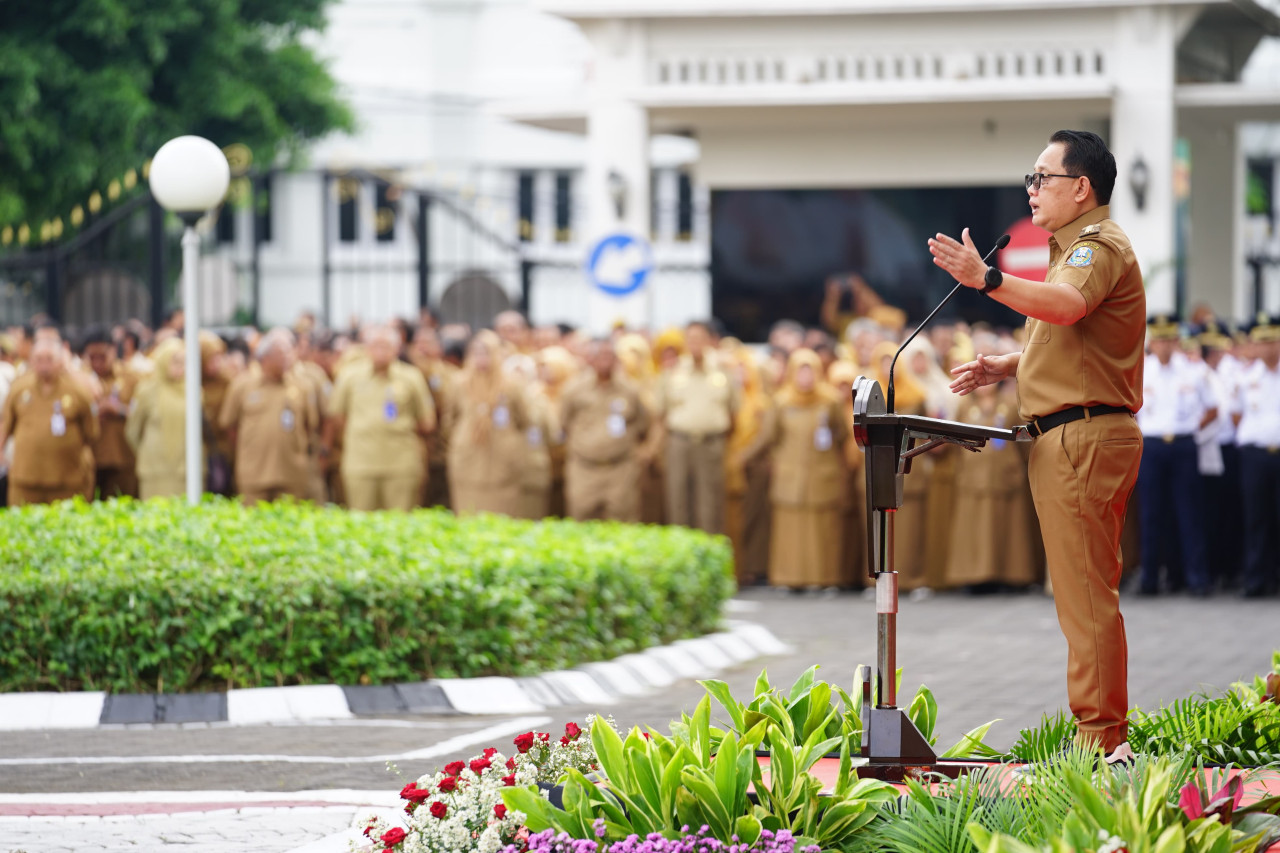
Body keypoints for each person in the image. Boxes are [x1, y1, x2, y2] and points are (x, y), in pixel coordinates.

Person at [931, 129, 1144, 764]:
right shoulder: (1071, 247)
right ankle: (1102, 735)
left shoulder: (1094, 246)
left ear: (1081, 187)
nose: (1031, 188)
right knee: (1080, 595)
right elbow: (1077, 343)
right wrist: (1011, 365)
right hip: (1071, 430)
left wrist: (987, 278)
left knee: (1085, 597)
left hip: (1083, 434)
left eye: (1041, 177)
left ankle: (1104, 744)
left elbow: (1066, 308)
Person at [1134, 315, 1217, 596]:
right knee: (1151, 514)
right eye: (1159, 340)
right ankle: (1150, 579)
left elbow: (1212, 408)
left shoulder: (1193, 371)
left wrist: (1194, 428)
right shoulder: (1142, 370)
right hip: (1153, 444)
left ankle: (1197, 578)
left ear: (1177, 341)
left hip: (1183, 443)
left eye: (1169, 339)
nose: (1164, 345)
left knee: (1189, 512)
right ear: (1152, 342)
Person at [766, 348, 849, 590]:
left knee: (823, 530)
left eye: (809, 371)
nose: (805, 378)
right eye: (800, 372)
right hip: (790, 476)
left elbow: (842, 434)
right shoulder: (781, 401)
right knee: (790, 531)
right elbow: (771, 437)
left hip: (822, 474)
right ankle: (787, 578)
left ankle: (823, 579)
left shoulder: (830, 400)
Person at [328, 325, 436, 511]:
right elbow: (337, 417)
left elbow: (426, 422)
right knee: (361, 521)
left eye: (386, 346)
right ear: (367, 348)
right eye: (375, 345)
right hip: (361, 463)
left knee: (399, 523)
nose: (380, 351)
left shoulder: (411, 376)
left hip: (401, 464)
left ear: (397, 348)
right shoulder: (350, 376)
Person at [655, 321, 739, 534]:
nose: (695, 344)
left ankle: (709, 556)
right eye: (690, 339)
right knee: (678, 501)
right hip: (679, 443)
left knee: (710, 503)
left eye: (700, 338)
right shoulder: (673, 371)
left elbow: (733, 411)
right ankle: (681, 556)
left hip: (711, 444)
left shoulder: (723, 371)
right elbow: (661, 413)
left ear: (709, 341)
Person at [219, 331, 319, 505]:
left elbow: (309, 426)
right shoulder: (243, 385)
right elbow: (230, 426)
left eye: (289, 352)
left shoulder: (302, 386)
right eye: (282, 353)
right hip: (254, 473)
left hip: (291, 473)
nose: (288, 358)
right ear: (265, 357)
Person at [0, 338, 99, 506]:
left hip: (67, 480)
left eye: (49, 359)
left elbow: (91, 432)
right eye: (39, 359)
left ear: (60, 361)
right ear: (31, 361)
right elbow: (5, 425)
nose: (44, 365)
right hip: (25, 480)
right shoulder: (19, 388)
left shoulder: (78, 390)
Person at [559, 338, 650, 521]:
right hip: (584, 467)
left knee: (623, 521)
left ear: (617, 360)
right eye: (600, 355)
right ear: (590, 359)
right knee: (582, 519)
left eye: (609, 355)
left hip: (620, 468)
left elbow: (643, 425)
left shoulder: (630, 390)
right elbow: (564, 423)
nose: (605, 360)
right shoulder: (574, 389)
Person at [444, 329, 530, 516]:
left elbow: (524, 420)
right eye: (477, 353)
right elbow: (449, 420)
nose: (481, 358)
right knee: (468, 512)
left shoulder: (511, 385)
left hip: (502, 461)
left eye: (486, 353)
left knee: (502, 515)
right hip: (468, 459)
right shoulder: (459, 383)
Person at [1231, 315, 1280, 598]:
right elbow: (1237, 415)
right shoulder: (1246, 377)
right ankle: (1256, 578)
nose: (1268, 347)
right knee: (1256, 518)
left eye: (1272, 340)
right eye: (1262, 342)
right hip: (1255, 455)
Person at [125, 338, 191, 499]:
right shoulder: (147, 390)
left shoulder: (193, 390)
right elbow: (132, 431)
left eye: (184, 362)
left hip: (185, 470)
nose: (180, 367)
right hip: (154, 470)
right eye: (175, 361)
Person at [80, 326, 139, 499]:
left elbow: (143, 414)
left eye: (103, 356)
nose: (97, 363)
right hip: (89, 460)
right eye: (92, 357)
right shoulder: (79, 380)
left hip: (122, 458)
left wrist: (119, 410)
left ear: (114, 351)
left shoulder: (131, 378)